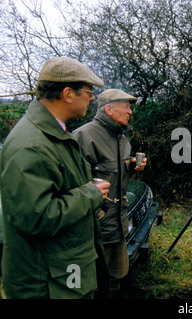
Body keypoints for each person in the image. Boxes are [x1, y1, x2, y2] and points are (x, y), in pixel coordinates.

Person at [0, 56, 108, 299]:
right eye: (88, 91)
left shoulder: (53, 131)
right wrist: (90, 194)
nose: (92, 98)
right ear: (68, 94)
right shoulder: (32, 145)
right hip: (48, 284)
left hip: (63, 274)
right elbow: (36, 217)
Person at [72, 89, 147, 296]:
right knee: (90, 283)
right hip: (94, 229)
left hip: (118, 226)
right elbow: (72, 185)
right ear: (109, 109)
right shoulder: (82, 136)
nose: (130, 112)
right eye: (126, 107)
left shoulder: (122, 139)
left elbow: (110, 172)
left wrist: (131, 166)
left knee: (117, 278)